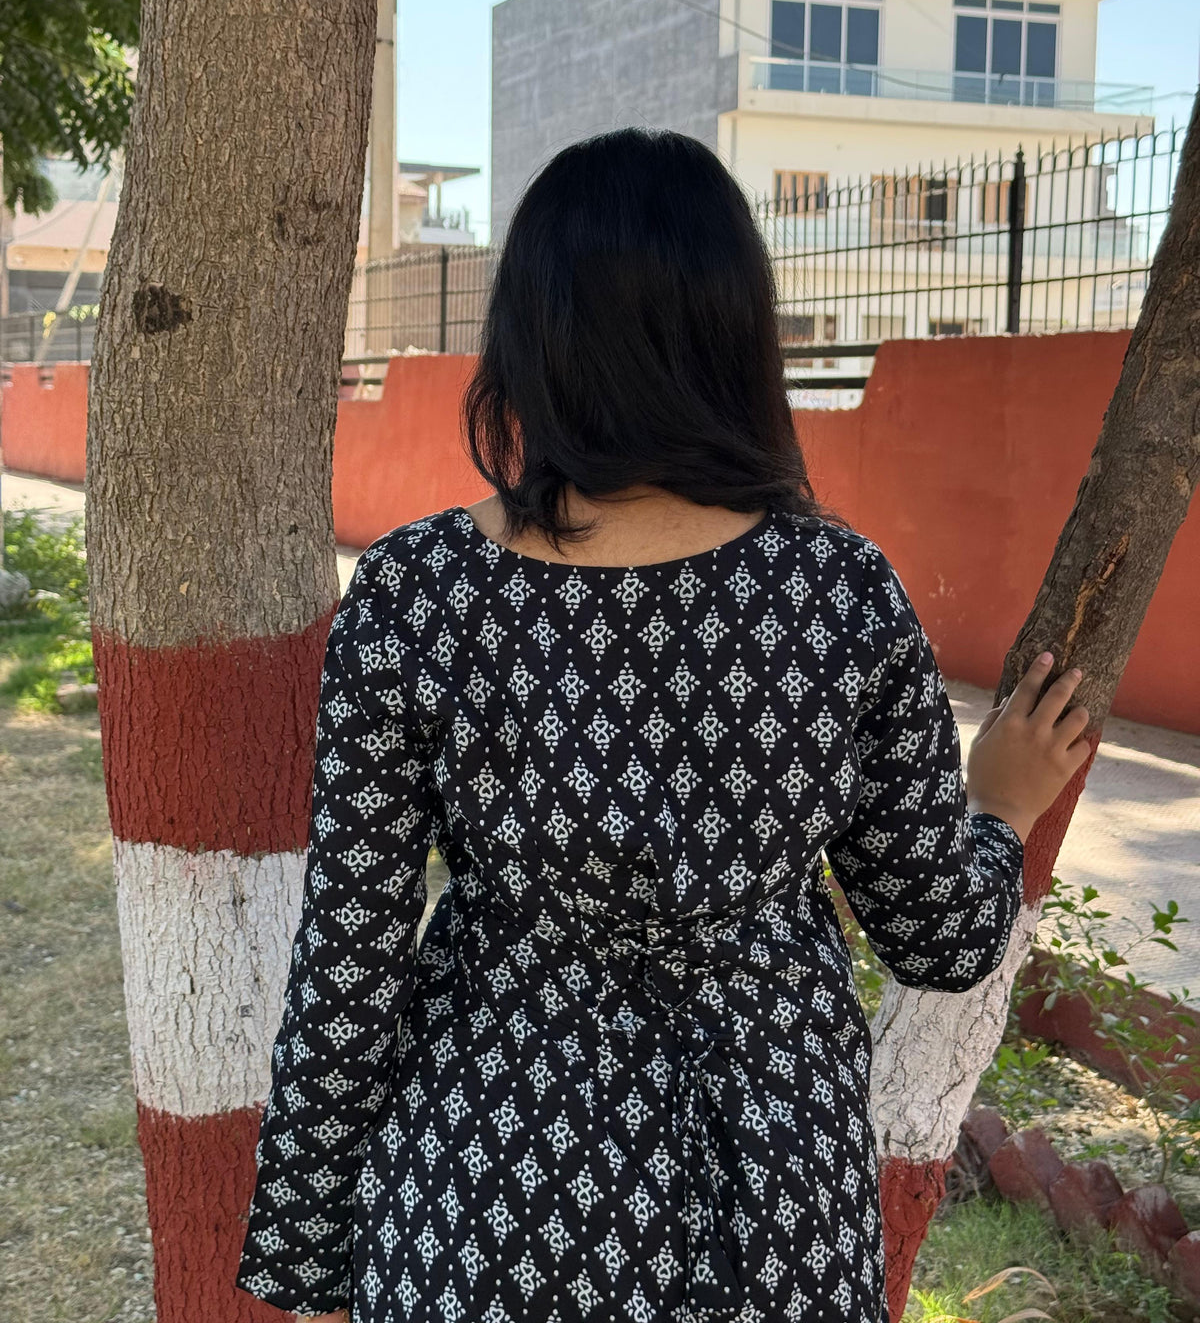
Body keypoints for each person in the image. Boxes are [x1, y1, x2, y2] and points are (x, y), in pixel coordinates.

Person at [235, 128, 1090, 1323]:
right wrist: (998, 805)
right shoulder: (840, 593)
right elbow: (939, 936)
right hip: (772, 1212)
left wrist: (312, 1255)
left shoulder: (416, 590)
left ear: (528, 343)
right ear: (737, 339)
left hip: (487, 1199)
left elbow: (350, 960)